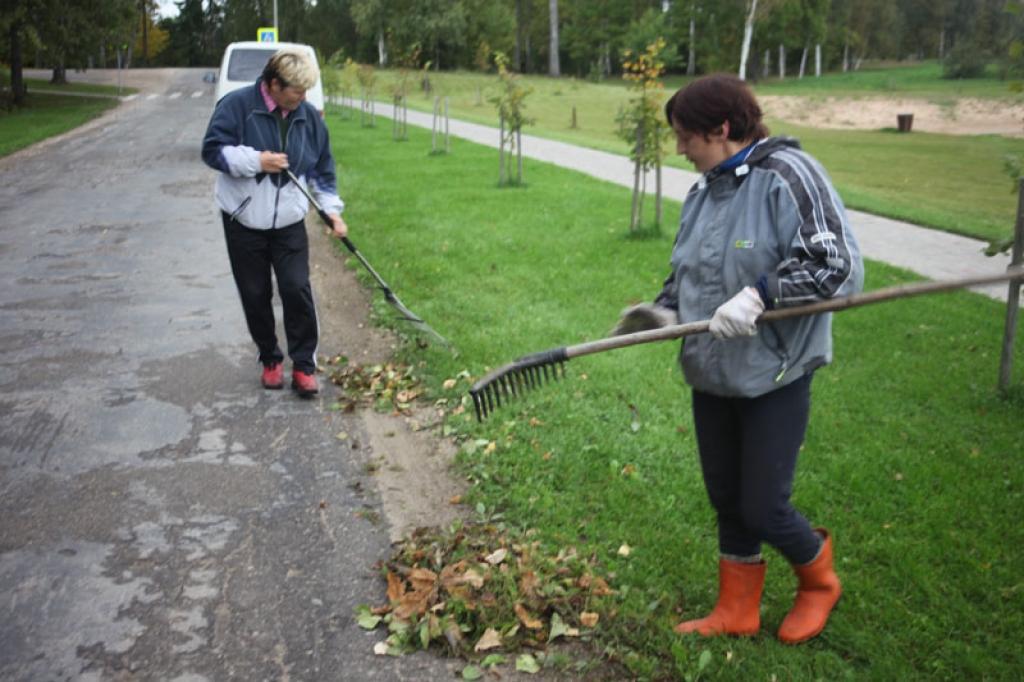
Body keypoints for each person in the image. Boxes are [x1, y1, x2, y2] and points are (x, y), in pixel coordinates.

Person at [614, 74, 863, 643]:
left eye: (685, 137)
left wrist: (760, 295)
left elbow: (837, 265)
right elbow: (688, 272)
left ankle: (820, 581)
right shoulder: (705, 190)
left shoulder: (789, 176)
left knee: (764, 506)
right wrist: (664, 310)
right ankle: (737, 609)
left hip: (774, 370)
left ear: (721, 128)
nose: (679, 149)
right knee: (726, 498)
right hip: (712, 369)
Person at [202, 48, 347, 398]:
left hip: (288, 220)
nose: (304, 97)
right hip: (243, 218)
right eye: (297, 90)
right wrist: (255, 161)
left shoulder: (308, 117)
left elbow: (322, 171)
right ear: (275, 84)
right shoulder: (237, 105)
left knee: (296, 287)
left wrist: (332, 211)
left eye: (306, 90)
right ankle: (270, 357)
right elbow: (212, 150)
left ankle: (303, 366)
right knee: (255, 293)